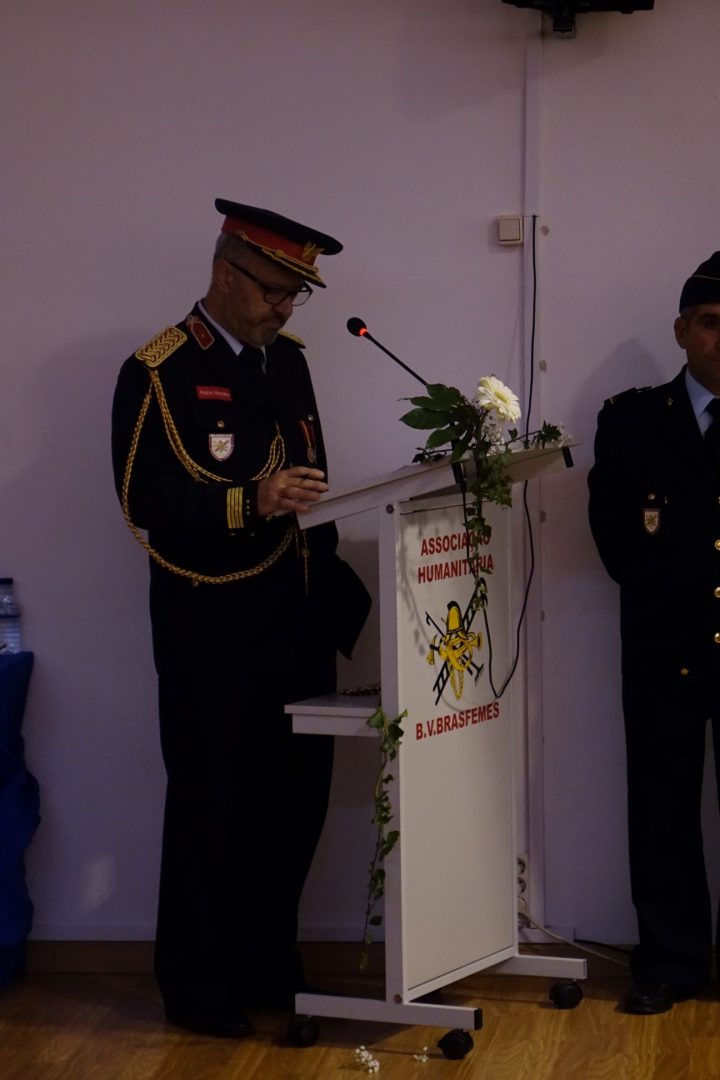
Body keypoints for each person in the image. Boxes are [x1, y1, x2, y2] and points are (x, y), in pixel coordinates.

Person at [111, 199, 371, 1038]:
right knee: (211, 808)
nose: (285, 308)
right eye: (272, 290)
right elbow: (143, 498)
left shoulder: (286, 365)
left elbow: (311, 478)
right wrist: (247, 501)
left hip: (292, 620)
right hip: (211, 631)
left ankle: (268, 965)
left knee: (292, 803)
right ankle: (198, 986)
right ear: (226, 273)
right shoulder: (158, 370)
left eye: (296, 294)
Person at [588, 251, 720, 1015]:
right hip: (665, 644)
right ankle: (670, 960)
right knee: (662, 808)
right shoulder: (633, 420)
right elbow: (615, 538)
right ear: (681, 331)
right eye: (710, 323)